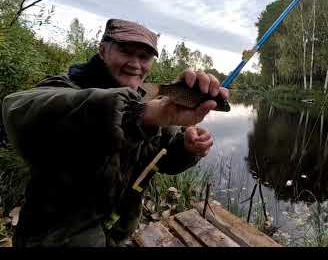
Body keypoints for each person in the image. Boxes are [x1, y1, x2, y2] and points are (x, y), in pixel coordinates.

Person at [2, 18, 229, 247]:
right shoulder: (67, 87)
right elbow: (16, 109)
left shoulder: (148, 100)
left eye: (144, 57)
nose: (135, 63)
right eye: (126, 51)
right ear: (103, 50)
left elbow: (164, 158)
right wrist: (136, 114)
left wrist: (187, 147)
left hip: (117, 235)